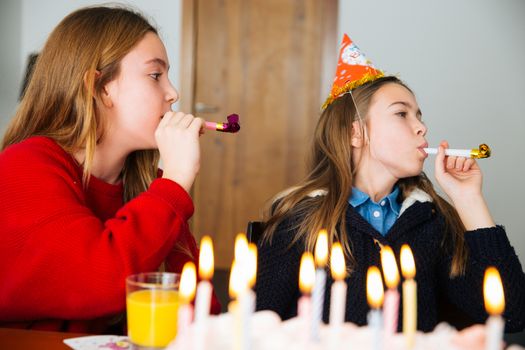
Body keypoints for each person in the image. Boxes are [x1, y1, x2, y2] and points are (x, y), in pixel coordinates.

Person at [255, 34, 525, 333]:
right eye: (401, 113)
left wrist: (469, 200)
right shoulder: (301, 220)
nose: (422, 127)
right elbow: (257, 325)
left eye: (419, 116)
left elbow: (511, 314)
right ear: (354, 134)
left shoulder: (433, 221)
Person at [0, 5, 220, 333]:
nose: (173, 93)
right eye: (156, 75)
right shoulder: (23, 167)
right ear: (100, 88)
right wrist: (175, 181)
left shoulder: (150, 187)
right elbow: (99, 282)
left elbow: (200, 308)